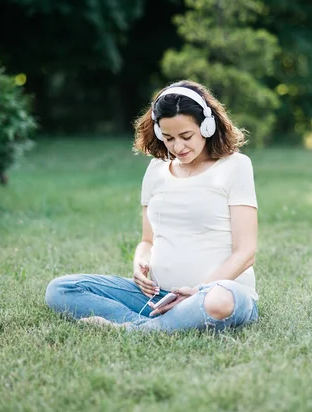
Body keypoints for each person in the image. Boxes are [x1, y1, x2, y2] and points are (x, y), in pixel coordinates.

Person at [45, 80, 259, 333]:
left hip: (215, 293)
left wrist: (197, 291)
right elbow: (148, 240)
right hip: (158, 297)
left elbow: (245, 252)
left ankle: (135, 330)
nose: (178, 147)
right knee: (61, 290)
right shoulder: (157, 169)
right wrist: (140, 263)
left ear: (207, 126)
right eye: (168, 138)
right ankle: (158, 323)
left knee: (221, 300)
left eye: (186, 136)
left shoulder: (235, 166)